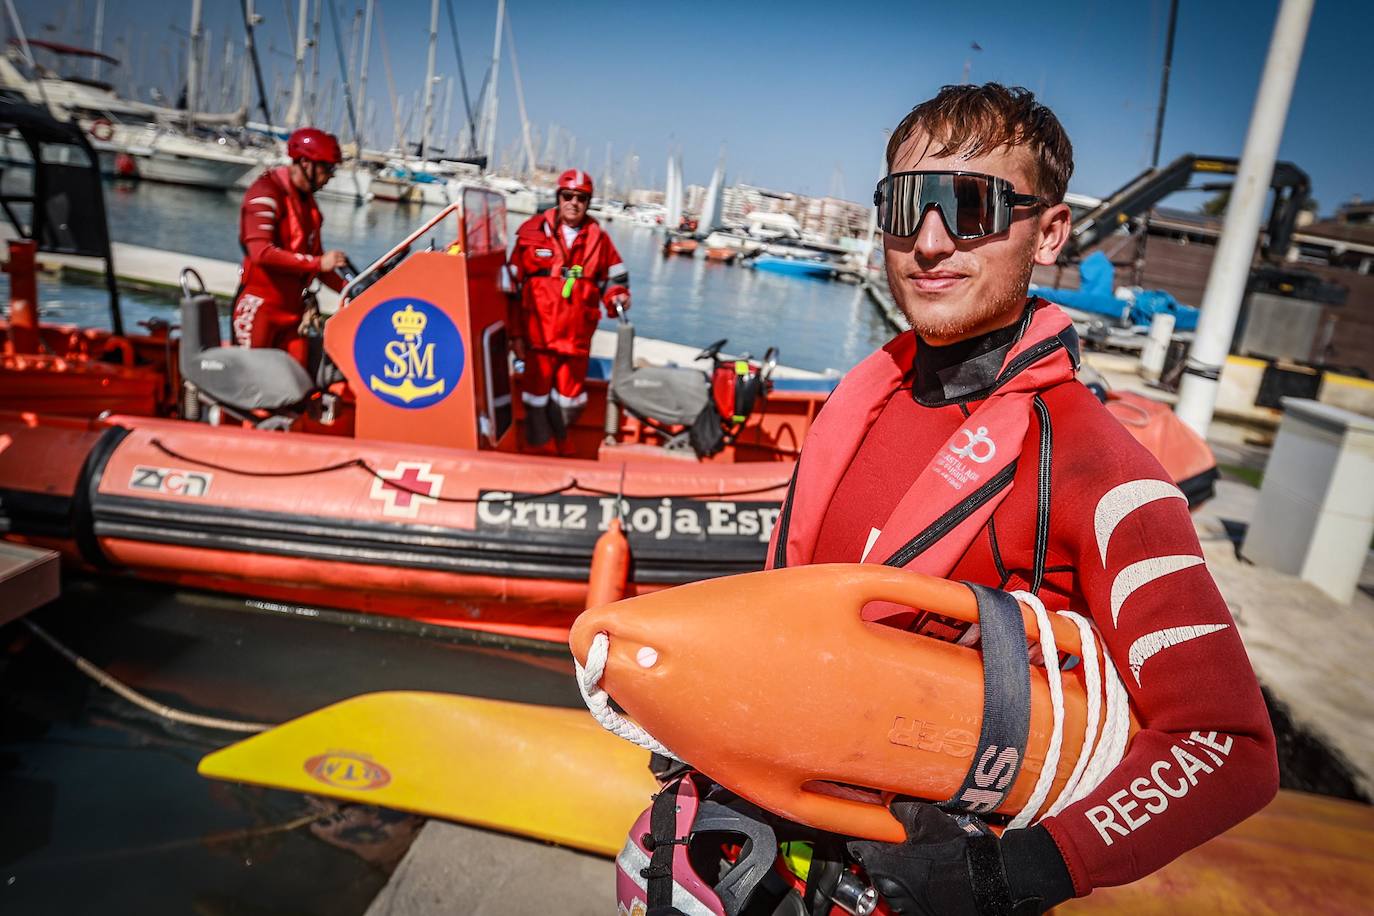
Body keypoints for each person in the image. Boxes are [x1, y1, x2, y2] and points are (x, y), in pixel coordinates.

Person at [765, 84, 1277, 914]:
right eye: (906, 205)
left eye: (971, 206)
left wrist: (1011, 876)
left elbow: (1229, 747)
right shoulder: (859, 406)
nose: (930, 242)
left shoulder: (1095, 466)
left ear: (1051, 233)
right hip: (783, 852)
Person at [507, 169, 630, 454]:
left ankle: (561, 445)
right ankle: (538, 450)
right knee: (535, 399)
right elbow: (512, 289)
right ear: (558, 198)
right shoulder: (531, 234)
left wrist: (617, 297)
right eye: (568, 196)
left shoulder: (599, 240)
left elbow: (615, 279)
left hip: (575, 342)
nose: (574, 202)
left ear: (588, 202)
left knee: (569, 401)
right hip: (538, 340)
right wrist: (515, 335)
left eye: (581, 198)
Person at [232, 127, 350, 367]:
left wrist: (352, 291)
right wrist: (318, 262)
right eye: (327, 169)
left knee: (298, 385)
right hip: (260, 309)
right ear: (306, 163)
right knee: (247, 387)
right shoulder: (266, 191)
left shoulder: (308, 204)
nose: (330, 177)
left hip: (293, 312)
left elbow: (318, 265)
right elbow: (260, 253)